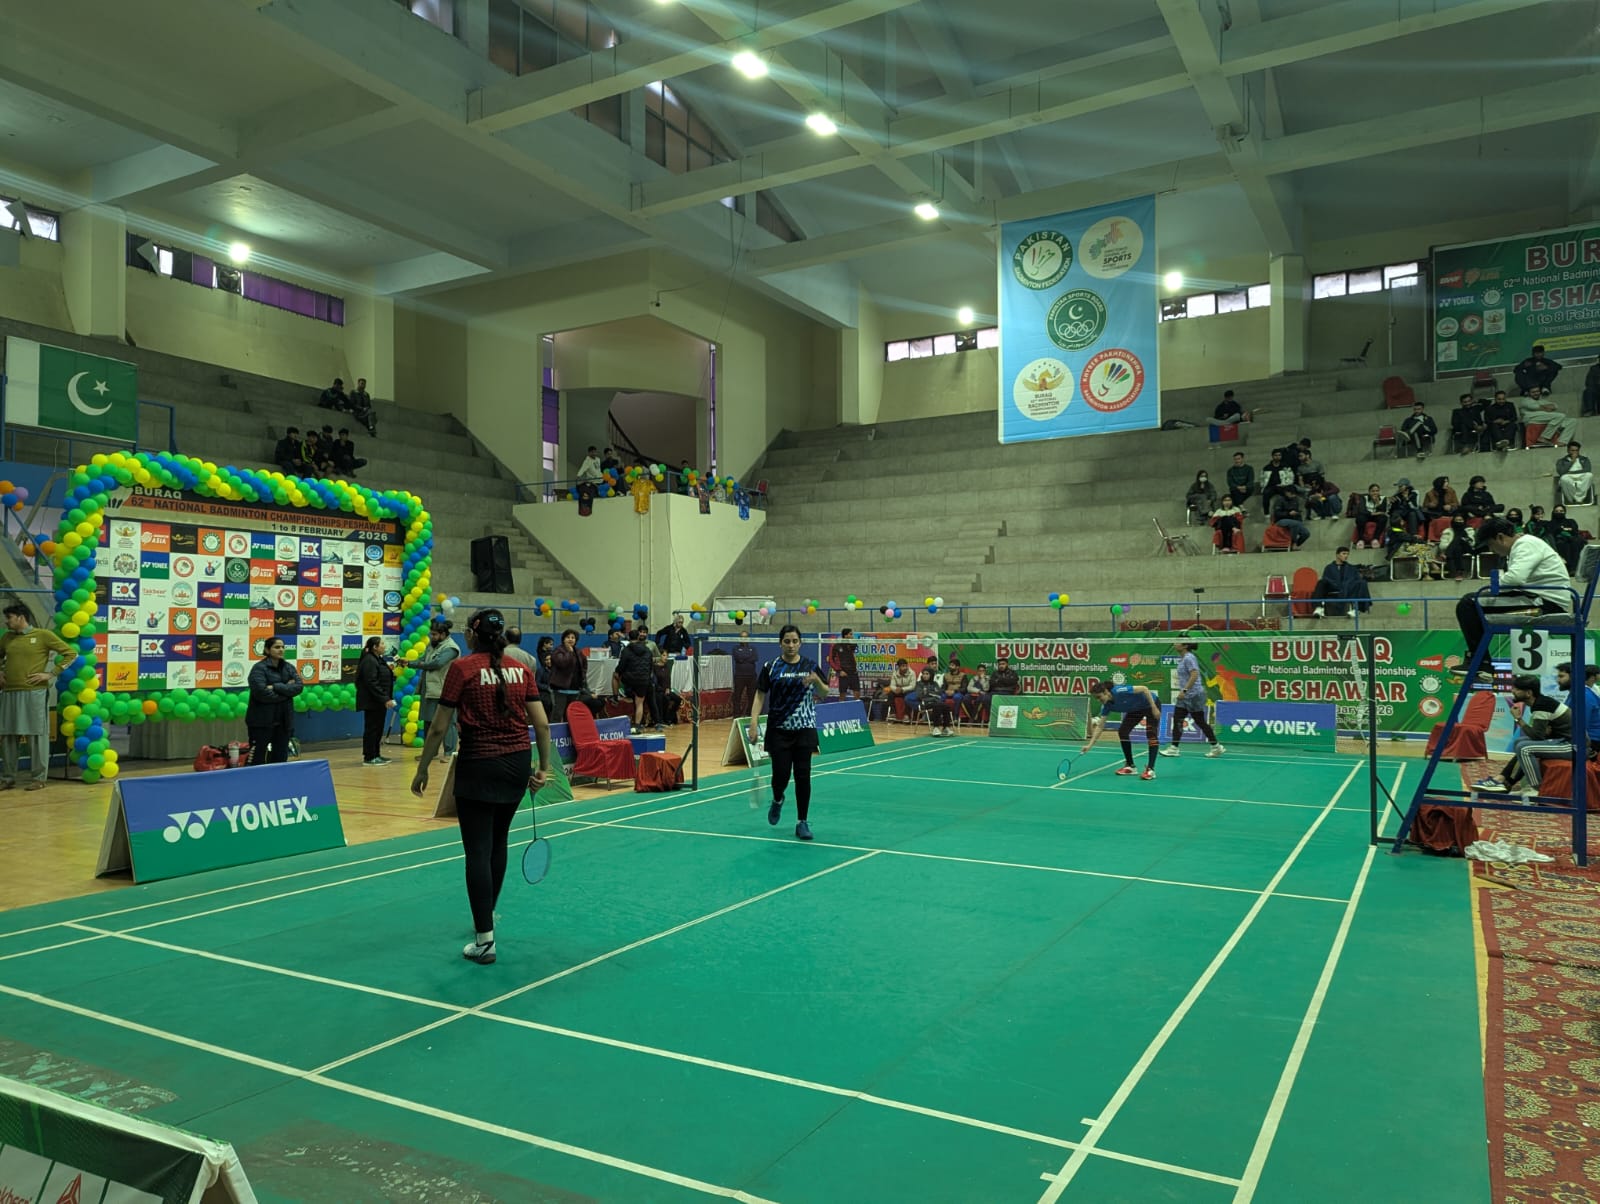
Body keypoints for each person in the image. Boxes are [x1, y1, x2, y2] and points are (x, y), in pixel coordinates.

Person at [411, 607, 552, 965]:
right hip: (516, 764)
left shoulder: (462, 669)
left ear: (472, 635)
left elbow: (439, 727)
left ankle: (484, 940)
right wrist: (543, 769)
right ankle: (487, 915)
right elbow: (542, 725)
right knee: (498, 842)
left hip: (479, 764)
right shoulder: (521, 669)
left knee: (477, 851)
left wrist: (423, 768)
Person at [1451, 516, 1571, 675]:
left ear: (1500, 537)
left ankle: (1480, 663)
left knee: (1468, 604)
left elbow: (1515, 578)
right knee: (1473, 602)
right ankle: (1481, 661)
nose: (1492, 550)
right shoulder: (1525, 544)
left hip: (1545, 604)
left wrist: (1491, 589)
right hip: (1539, 598)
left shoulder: (1525, 544)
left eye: (1490, 545)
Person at [748, 624, 830, 840]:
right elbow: (760, 695)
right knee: (781, 776)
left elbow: (824, 692)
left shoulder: (810, 666)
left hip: (804, 728)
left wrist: (817, 680)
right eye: (787, 641)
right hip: (779, 729)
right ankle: (778, 799)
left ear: (800, 643)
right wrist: (753, 723)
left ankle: (802, 821)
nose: (791, 645)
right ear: (780, 643)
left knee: (803, 776)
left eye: (795, 641)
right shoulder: (771, 666)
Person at [0, 604, 71, 790]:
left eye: (9, 617)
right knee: (8, 735)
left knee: (36, 736)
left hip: (34, 693)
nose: (7, 622)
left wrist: (51, 673)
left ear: (21, 617)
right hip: (9, 693)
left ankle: (39, 778)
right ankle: (8, 778)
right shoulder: (6, 638)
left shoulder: (43, 635)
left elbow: (71, 654)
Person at [1475, 674, 1571, 800]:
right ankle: (1504, 781)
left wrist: (1518, 719)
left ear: (1528, 693)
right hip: (1559, 741)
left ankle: (1536, 789)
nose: (1512, 691)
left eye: (1517, 689)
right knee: (1520, 742)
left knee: (1524, 748)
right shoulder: (1540, 703)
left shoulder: (1542, 706)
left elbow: (1537, 736)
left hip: (1572, 746)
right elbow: (1540, 734)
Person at [1083, 679, 1161, 780]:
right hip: (1135, 709)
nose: (1098, 700)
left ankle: (1150, 770)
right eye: (1096, 698)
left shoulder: (1119, 691)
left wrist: (1154, 707)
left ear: (1106, 692)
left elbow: (1144, 689)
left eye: (1099, 697)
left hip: (1150, 704)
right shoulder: (1107, 706)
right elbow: (1100, 726)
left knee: (1151, 735)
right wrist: (1089, 745)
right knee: (1123, 732)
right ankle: (1130, 766)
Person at [246, 636, 302, 766]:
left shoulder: (288, 667)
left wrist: (276, 687)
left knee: (280, 758)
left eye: (283, 647)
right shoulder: (258, 668)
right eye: (277, 647)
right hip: (261, 722)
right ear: (267, 650)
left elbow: (298, 687)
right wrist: (286, 692)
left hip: (283, 722)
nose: (281, 650)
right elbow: (262, 693)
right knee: (257, 759)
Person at [1160, 641, 1222, 758]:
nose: (1174, 644)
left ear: (1185, 646)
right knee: (1178, 719)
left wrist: (1184, 690)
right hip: (1186, 697)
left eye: (1178, 642)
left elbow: (1194, 675)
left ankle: (1216, 746)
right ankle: (1174, 748)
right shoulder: (1183, 658)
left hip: (1194, 695)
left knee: (1199, 721)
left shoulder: (1189, 658)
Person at [416, 619, 460, 761]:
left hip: (444, 690)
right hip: (429, 690)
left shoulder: (451, 648)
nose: (432, 637)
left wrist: (417, 664)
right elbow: (423, 660)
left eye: (434, 634)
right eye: (431, 634)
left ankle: (449, 752)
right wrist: (409, 662)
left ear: (443, 634)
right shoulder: (431, 646)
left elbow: (437, 663)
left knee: (448, 723)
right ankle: (430, 752)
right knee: (428, 721)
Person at [355, 637, 396, 766]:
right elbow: (371, 682)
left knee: (378, 729)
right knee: (372, 729)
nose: (385, 646)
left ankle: (376, 754)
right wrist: (385, 698)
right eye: (382, 644)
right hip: (372, 702)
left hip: (379, 702)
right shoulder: (369, 660)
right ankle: (369, 757)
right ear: (375, 647)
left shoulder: (378, 659)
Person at [614, 626, 658, 733]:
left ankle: (615, 696)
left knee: (614, 676)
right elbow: (650, 666)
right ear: (638, 637)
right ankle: (638, 725)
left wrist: (618, 672)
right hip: (644, 680)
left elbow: (621, 666)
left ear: (629, 638)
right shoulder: (647, 650)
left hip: (630, 680)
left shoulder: (626, 650)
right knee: (639, 703)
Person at [1311, 546, 1371, 617]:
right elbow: (1326, 579)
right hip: (1333, 587)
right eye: (1344, 553)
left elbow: (1356, 579)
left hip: (1347, 588)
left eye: (1347, 554)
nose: (1346, 556)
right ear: (1337, 555)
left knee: (1362, 582)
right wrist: (1334, 583)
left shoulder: (1351, 568)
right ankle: (1318, 607)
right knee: (1321, 582)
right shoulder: (1329, 567)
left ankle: (1357, 609)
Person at [1556, 661, 1600, 757]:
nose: (1557, 680)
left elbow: (1581, 727)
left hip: (1590, 743)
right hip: (1580, 739)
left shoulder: (1583, 695)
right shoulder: (1576, 693)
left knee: (1526, 747)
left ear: (1574, 677)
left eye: (1561, 676)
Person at [546, 628, 582, 725]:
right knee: (557, 714)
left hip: (574, 689)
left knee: (570, 716)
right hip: (560, 689)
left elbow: (582, 669)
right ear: (563, 639)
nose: (570, 639)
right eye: (568, 637)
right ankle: (554, 733)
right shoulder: (558, 651)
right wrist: (569, 653)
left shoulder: (578, 652)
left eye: (573, 637)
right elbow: (562, 663)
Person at [1439, 514, 1476, 582]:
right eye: (1457, 520)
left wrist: (1465, 540)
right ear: (1453, 521)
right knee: (1457, 548)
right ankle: (1459, 572)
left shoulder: (1469, 530)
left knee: (1459, 538)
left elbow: (1472, 543)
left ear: (1464, 521)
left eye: (1460, 520)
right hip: (1456, 550)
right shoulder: (1448, 531)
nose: (1459, 522)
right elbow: (1442, 545)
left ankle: (1447, 554)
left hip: (1467, 548)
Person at [730, 631, 759, 718]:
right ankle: (737, 714)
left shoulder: (753, 648)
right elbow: (738, 658)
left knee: (752, 696)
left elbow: (755, 658)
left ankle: (750, 713)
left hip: (751, 676)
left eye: (745, 637)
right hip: (739, 676)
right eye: (742, 637)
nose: (744, 639)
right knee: (737, 696)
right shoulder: (735, 648)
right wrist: (748, 657)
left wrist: (743, 658)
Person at [1556, 441, 1594, 505]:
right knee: (1563, 478)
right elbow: (1561, 472)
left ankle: (1578, 499)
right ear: (1568, 451)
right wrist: (1572, 462)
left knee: (1589, 475)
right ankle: (1575, 499)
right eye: (1572, 450)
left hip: (1580, 476)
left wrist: (1571, 472)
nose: (1575, 452)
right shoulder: (1562, 461)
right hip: (1568, 477)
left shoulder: (1584, 459)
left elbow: (1587, 470)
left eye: (1576, 450)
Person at [881, 657, 917, 722]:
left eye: (906, 666)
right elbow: (892, 685)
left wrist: (902, 689)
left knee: (908, 696)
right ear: (899, 667)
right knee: (890, 694)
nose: (905, 667)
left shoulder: (912, 673)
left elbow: (913, 686)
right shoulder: (895, 673)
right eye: (903, 666)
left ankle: (906, 715)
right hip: (898, 691)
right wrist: (896, 689)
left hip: (907, 690)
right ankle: (893, 713)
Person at [829, 628, 859, 698]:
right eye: (850, 634)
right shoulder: (836, 646)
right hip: (844, 674)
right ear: (845, 635)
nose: (852, 636)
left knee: (857, 695)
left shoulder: (852, 644)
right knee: (842, 696)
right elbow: (831, 660)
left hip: (853, 673)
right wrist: (839, 671)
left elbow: (853, 647)